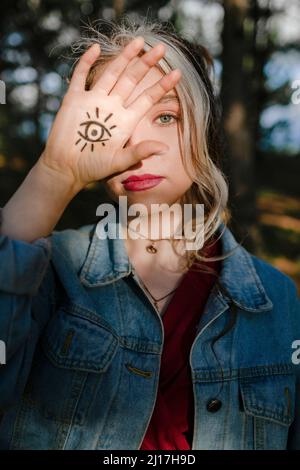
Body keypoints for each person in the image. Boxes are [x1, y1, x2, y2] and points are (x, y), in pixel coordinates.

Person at [0, 15, 299, 450]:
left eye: (164, 117)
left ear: (204, 128)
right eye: (113, 122)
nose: (137, 149)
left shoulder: (279, 300)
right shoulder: (47, 274)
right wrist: (54, 174)